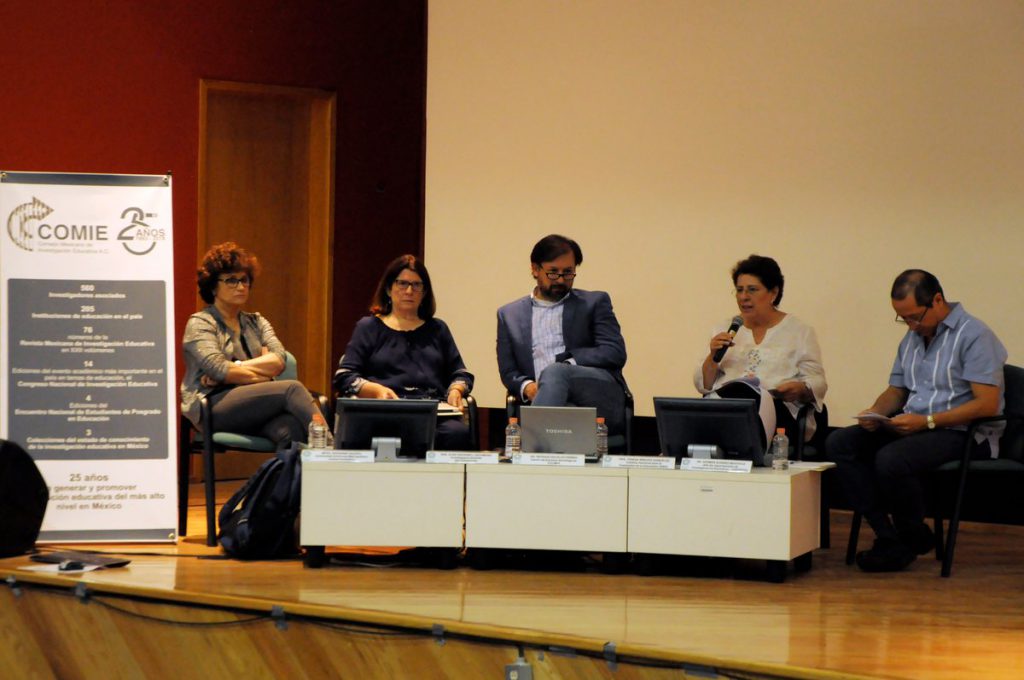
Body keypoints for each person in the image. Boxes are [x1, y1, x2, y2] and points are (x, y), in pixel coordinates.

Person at [827, 270, 1007, 572]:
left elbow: (987, 405)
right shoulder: (912, 338)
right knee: (840, 443)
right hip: (916, 425)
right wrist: (876, 412)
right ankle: (891, 536)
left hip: (964, 432)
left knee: (891, 459)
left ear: (937, 300)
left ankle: (907, 536)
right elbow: (897, 390)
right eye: (903, 319)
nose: (911, 325)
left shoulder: (975, 335)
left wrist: (928, 421)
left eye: (914, 317)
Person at [180, 242, 327, 448]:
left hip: (254, 405)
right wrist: (262, 375)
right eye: (231, 280)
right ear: (213, 286)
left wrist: (236, 367)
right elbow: (218, 368)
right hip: (212, 406)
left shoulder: (257, 322)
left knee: (291, 429)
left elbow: (278, 360)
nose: (241, 287)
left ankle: (293, 470)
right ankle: (332, 449)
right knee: (292, 389)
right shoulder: (200, 323)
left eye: (244, 280)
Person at [334, 254, 474, 451]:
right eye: (402, 283)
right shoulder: (369, 327)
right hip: (383, 411)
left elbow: (461, 374)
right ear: (388, 289)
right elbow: (344, 376)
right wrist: (375, 390)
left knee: (457, 433)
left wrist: (456, 390)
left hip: (431, 414)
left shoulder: (438, 329)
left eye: (417, 285)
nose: (409, 291)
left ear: (424, 292)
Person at [496, 234, 628, 435]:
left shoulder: (594, 303)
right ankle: (540, 439)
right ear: (535, 269)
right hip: (544, 400)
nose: (560, 280)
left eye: (568, 273)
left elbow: (614, 352)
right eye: (553, 273)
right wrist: (529, 387)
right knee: (562, 412)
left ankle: (529, 445)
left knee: (555, 372)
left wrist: (568, 363)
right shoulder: (509, 315)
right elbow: (508, 370)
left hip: (595, 396)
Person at [694, 254, 826, 445]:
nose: (744, 297)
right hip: (728, 408)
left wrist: (801, 389)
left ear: (773, 293)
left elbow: (818, 382)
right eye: (739, 290)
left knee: (749, 402)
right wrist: (713, 357)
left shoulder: (799, 331)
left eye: (752, 290)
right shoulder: (724, 328)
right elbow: (704, 386)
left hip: (775, 411)